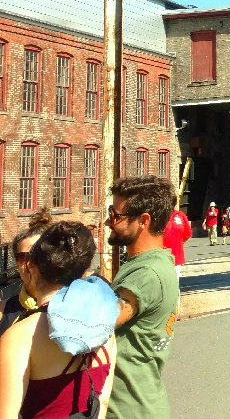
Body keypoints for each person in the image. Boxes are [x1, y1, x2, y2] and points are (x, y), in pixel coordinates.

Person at [0, 220, 117, 419]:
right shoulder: (105, 327)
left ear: (33, 267)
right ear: (84, 271)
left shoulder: (20, 337)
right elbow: (102, 402)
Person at [108, 175, 180, 419]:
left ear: (143, 220)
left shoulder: (147, 274)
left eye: (116, 216)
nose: (110, 222)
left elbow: (98, 322)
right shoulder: (153, 262)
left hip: (130, 409)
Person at [0, 209, 53, 335]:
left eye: (38, 255)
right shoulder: (3, 311)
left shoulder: (72, 308)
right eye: (24, 257)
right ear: (17, 264)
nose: (31, 263)